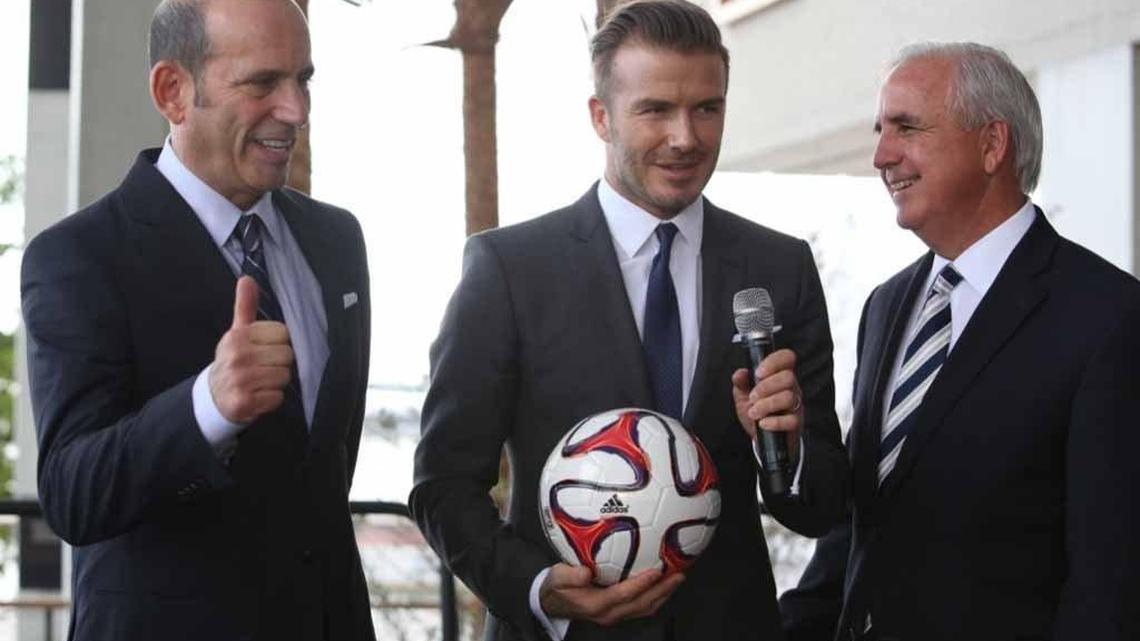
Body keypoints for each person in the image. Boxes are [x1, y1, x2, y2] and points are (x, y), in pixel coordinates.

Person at [409, 2, 849, 640]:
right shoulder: (509, 269)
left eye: (707, 108)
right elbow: (443, 484)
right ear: (600, 116)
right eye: (655, 110)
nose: (686, 138)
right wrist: (540, 589)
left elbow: (822, 503)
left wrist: (784, 442)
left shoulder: (780, 268)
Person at [20, 1, 374, 639]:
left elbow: (319, 477)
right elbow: (72, 493)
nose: (295, 110)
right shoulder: (79, 256)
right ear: (173, 92)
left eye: (304, 80)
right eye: (263, 83)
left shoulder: (337, 241)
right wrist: (206, 407)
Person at [779, 42, 1140, 641]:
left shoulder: (1109, 317)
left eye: (907, 127)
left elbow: (1109, 581)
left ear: (992, 145)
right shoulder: (888, 305)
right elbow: (864, 519)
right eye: (879, 130)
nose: (880, 155)